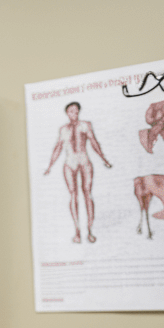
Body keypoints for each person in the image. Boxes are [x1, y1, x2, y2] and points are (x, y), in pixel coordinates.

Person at [43, 101, 112, 243]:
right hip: (69, 163)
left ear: (78, 112)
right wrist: (50, 165)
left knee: (87, 193)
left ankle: (90, 230)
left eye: (75, 111)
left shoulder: (85, 125)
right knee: (73, 195)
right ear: (67, 113)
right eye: (70, 111)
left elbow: (94, 142)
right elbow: (58, 147)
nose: (73, 113)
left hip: (84, 161)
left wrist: (104, 158)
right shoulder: (63, 129)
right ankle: (77, 231)